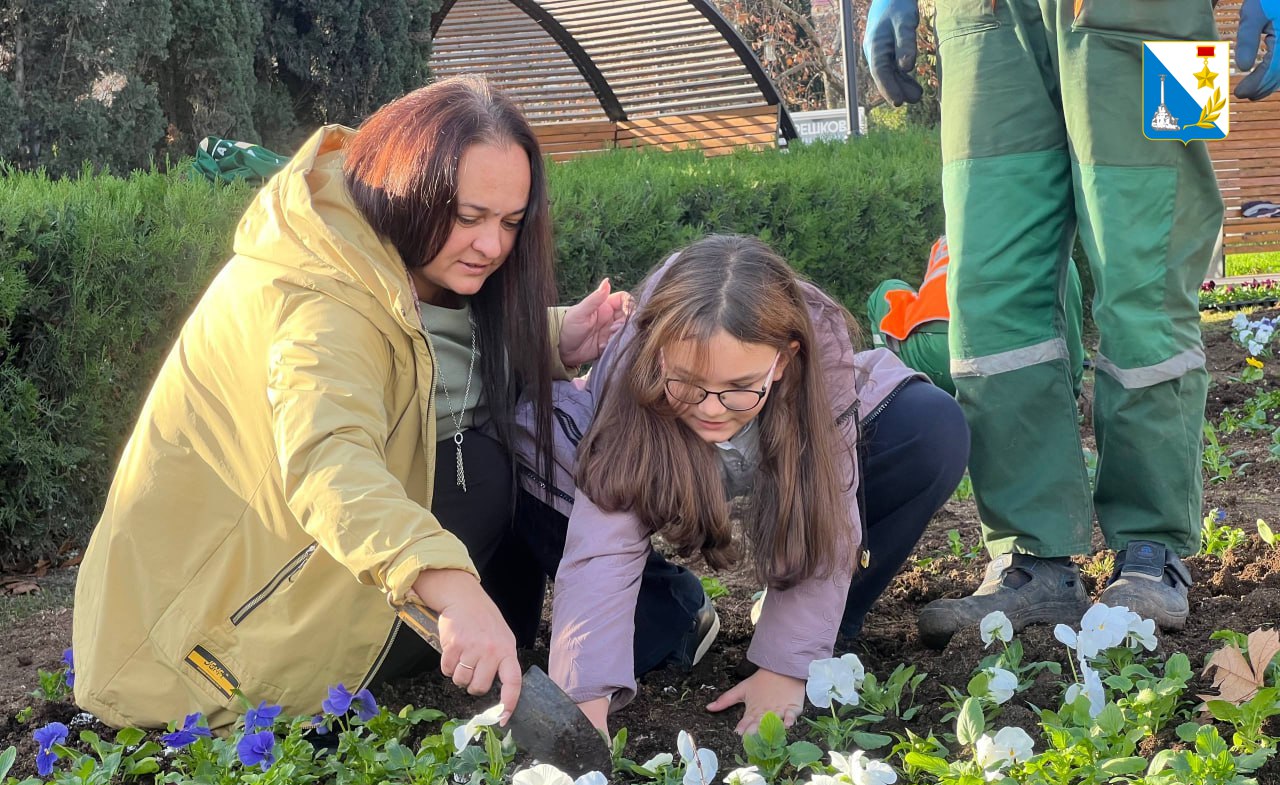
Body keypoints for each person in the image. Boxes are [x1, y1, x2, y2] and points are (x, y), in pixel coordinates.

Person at [71, 76, 627, 734]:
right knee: (485, 461)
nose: (492, 246)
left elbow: (418, 352)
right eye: (469, 216)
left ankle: (612, 619)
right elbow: (328, 460)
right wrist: (452, 590)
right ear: (410, 187)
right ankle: (613, 628)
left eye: (510, 222)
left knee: (502, 442)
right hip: (200, 653)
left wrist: (551, 336)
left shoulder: (371, 243)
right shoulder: (320, 298)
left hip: (276, 596)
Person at [861, 0, 1277, 645]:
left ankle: (1152, 548)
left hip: (1160, 16)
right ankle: (1032, 560)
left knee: (1153, 276)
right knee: (986, 293)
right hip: (985, 20)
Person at [509, 235, 970, 735]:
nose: (710, 408)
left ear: (783, 360)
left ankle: (815, 633)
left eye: (738, 387)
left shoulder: (819, 362)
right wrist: (585, 697)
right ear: (658, 353)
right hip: (646, 466)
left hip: (802, 438)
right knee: (644, 644)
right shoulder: (635, 369)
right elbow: (605, 539)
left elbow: (827, 506)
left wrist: (785, 668)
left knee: (932, 425)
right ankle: (678, 607)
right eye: (689, 382)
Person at [868, 235, 1085, 399]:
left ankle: (886, 393)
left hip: (937, 352)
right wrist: (1071, 390)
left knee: (887, 291)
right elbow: (1068, 333)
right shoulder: (1046, 243)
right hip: (1006, 361)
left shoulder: (952, 232)